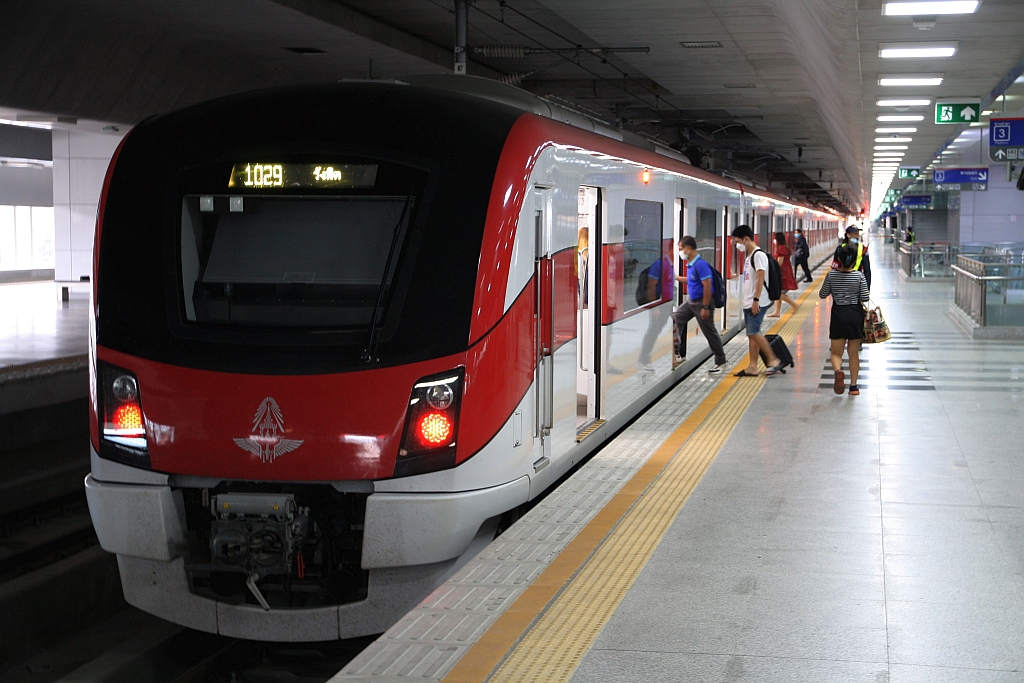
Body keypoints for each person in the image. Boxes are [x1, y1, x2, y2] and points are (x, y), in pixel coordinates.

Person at [730, 225, 782, 377]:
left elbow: (760, 278)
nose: (737, 244)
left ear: (746, 239)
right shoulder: (749, 256)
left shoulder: (758, 255)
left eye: (738, 241)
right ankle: (752, 366)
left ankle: (773, 360)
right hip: (750, 301)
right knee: (752, 335)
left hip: (757, 301)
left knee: (754, 332)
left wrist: (756, 300)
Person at [819, 244, 870, 395]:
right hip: (855, 315)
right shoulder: (859, 276)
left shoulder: (831, 275)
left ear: (839, 260)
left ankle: (838, 370)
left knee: (836, 353)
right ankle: (853, 387)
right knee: (853, 352)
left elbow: (822, 295)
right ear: (854, 261)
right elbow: (865, 297)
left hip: (838, 315)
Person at [673, 236, 727, 373]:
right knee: (676, 318)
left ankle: (721, 361)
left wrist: (706, 307)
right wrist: (675, 278)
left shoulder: (700, 264)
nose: (680, 252)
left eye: (681, 249)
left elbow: (707, 285)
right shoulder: (691, 265)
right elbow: (692, 281)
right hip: (692, 301)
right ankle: (676, 353)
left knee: (709, 332)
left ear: (688, 248)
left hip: (702, 302)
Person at [637, 250, 673, 367]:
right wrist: (654, 307)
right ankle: (644, 357)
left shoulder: (671, 264)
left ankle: (677, 352)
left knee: (678, 324)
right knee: (654, 330)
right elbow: (651, 284)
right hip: (661, 305)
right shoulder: (661, 264)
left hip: (669, 303)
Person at [768, 232, 799, 318]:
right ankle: (777, 311)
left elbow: (779, 263)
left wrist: (773, 271)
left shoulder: (781, 249)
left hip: (782, 273)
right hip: (784, 271)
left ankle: (794, 305)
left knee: (777, 293)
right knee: (778, 292)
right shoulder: (784, 247)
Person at [833, 225, 871, 289]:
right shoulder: (840, 249)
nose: (857, 236)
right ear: (848, 235)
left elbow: (867, 270)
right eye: (855, 234)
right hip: (842, 282)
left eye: (858, 234)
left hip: (857, 282)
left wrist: (867, 288)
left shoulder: (863, 249)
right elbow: (835, 267)